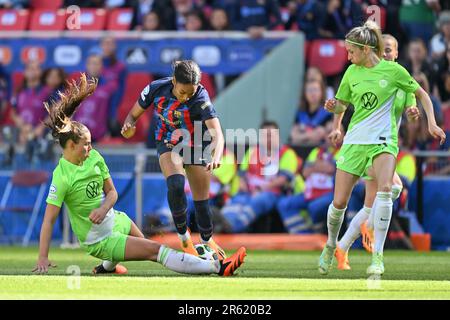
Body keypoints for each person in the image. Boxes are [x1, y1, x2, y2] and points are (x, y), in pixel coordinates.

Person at [32, 73, 246, 276]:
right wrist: (43, 257)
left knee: (144, 244)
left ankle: (107, 268)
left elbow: (113, 193)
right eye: (85, 145)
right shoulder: (61, 176)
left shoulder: (95, 157)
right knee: (155, 251)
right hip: (100, 239)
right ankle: (217, 267)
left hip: (116, 220)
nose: (90, 148)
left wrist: (104, 207)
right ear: (70, 145)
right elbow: (48, 220)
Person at [318, 21, 446, 276]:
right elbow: (341, 104)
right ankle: (332, 244)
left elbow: (421, 94)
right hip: (355, 143)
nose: (348, 56)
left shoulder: (393, 71)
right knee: (339, 203)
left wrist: (431, 122)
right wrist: (334, 114)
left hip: (383, 142)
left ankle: (377, 256)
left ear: (366, 49)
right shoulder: (351, 73)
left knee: (387, 189)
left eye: (351, 51)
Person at [329, 34, 422, 270]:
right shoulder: (373, 75)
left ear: (397, 53)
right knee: (386, 191)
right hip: (368, 146)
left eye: (390, 50)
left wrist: (414, 113)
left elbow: (412, 109)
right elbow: (346, 102)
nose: (387, 54)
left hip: (387, 145)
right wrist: (337, 127)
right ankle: (350, 242)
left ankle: (343, 245)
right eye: (384, 49)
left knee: (379, 199)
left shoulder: (400, 79)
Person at [121, 60, 230, 260]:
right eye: (182, 92)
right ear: (173, 81)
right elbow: (132, 116)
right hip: (168, 142)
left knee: (202, 201)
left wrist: (216, 155)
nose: (186, 97)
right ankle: (183, 237)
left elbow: (218, 134)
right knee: (176, 184)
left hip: (197, 144)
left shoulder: (201, 97)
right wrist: (128, 127)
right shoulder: (155, 89)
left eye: (191, 92)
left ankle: (207, 240)